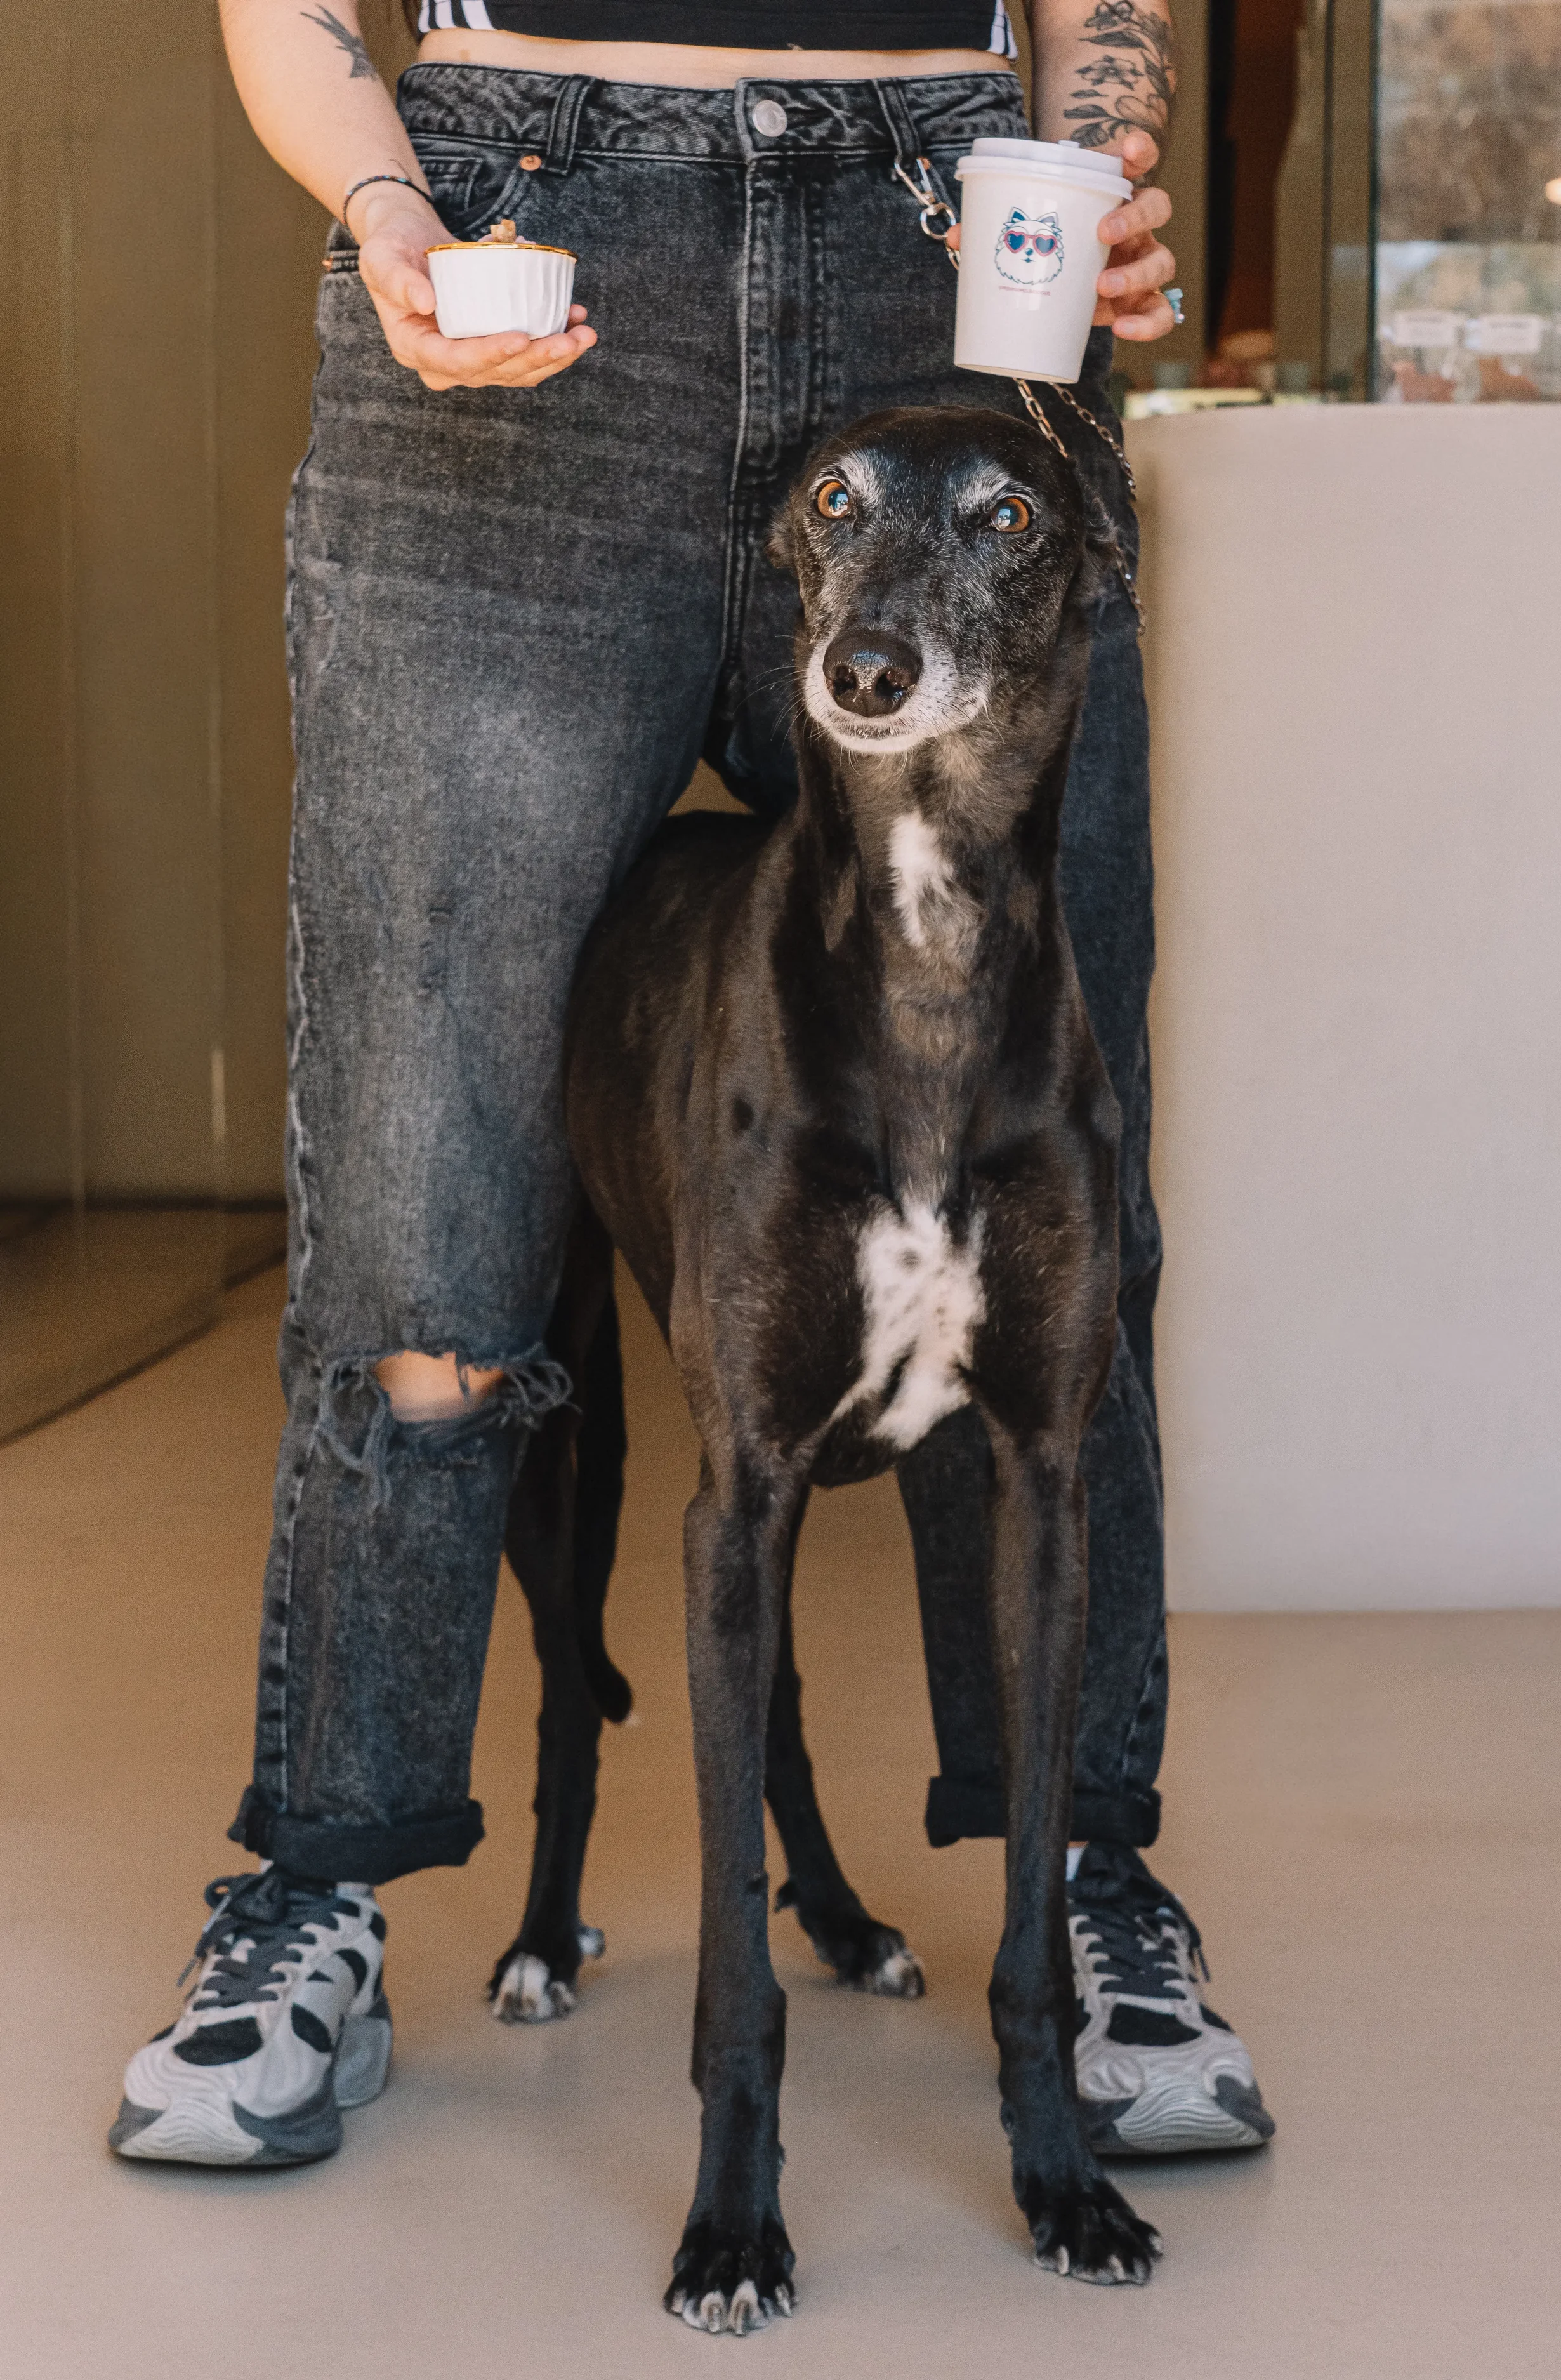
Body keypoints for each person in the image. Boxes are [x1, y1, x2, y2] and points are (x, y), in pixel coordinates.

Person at [110, 0, 1272, 2171]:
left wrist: (1098, 150)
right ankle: (323, 1878)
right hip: (516, 254)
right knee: (424, 1161)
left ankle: (1084, 1859)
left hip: (945, 247)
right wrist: (383, 203)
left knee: (1021, 1157)